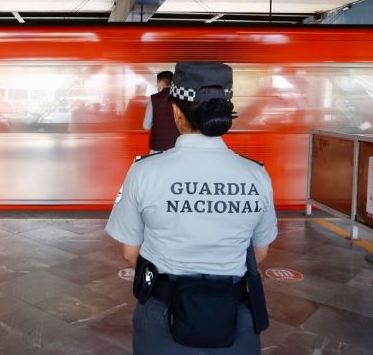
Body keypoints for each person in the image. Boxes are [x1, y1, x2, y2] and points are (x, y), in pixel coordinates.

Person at [106, 62, 278, 355]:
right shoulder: (256, 174)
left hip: (163, 314)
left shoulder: (144, 172)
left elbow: (129, 253)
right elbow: (259, 252)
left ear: (176, 111)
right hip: (233, 316)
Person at [142, 70, 180, 152]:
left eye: (158, 82)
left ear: (161, 82)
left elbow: (146, 126)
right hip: (177, 145)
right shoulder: (180, 98)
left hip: (157, 146)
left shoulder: (154, 99)